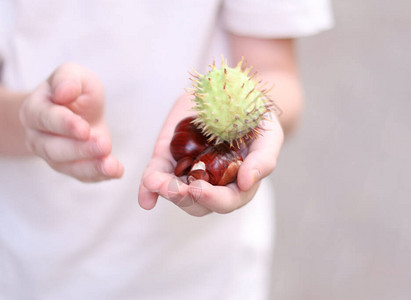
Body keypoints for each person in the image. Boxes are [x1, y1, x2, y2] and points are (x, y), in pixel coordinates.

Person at [0, 0, 333, 299]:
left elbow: (276, 73)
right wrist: (31, 122)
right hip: (34, 265)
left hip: (206, 271)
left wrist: (266, 116)